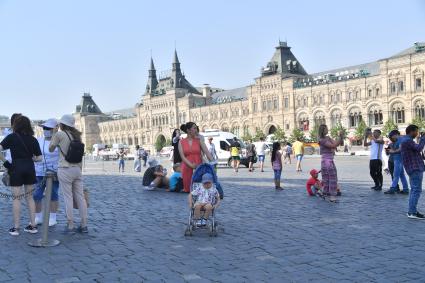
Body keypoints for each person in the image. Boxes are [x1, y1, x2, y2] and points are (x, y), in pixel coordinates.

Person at [0, 115, 42, 236]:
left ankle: (16, 228)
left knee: (16, 199)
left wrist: (6, 163)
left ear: (15, 125)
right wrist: (32, 159)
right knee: (30, 198)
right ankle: (33, 225)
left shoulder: (11, 137)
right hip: (29, 168)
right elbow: (39, 158)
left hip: (16, 168)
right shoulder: (33, 139)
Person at [49, 114, 88, 234]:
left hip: (65, 168)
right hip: (77, 169)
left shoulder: (60, 134)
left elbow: (50, 148)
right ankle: (84, 225)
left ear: (62, 124)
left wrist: (54, 133)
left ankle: (70, 225)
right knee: (80, 198)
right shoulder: (77, 136)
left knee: (68, 198)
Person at [33, 118, 60, 226]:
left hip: (54, 173)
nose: (46, 130)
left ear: (55, 129)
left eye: (48, 128)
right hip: (39, 172)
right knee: (36, 195)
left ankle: (53, 218)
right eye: (44, 128)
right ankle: (38, 217)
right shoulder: (38, 140)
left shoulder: (59, 141)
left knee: (53, 194)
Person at [178, 122, 214, 193]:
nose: (196, 130)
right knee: (189, 190)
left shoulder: (199, 140)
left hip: (198, 167)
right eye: (194, 128)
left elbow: (207, 152)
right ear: (188, 130)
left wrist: (213, 162)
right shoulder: (181, 142)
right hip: (186, 167)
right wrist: (191, 165)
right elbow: (182, 157)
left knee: (199, 189)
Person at [401, 125, 425, 219]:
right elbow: (419, 148)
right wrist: (423, 139)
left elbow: (416, 151)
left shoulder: (406, 140)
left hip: (413, 168)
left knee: (414, 190)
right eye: (416, 131)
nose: (417, 134)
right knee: (416, 190)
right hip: (415, 168)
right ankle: (412, 212)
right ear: (411, 131)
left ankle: (412, 211)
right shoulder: (407, 141)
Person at [318, 124, 344, 202]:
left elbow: (337, 143)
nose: (328, 129)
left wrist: (341, 137)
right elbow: (333, 145)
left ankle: (325, 192)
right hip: (326, 161)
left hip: (329, 160)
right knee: (331, 178)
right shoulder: (322, 140)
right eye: (326, 128)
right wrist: (339, 136)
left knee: (328, 178)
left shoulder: (327, 138)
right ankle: (332, 196)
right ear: (323, 130)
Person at [384, 130, 409, 195]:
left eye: (391, 137)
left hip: (398, 160)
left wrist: (392, 151)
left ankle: (393, 188)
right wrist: (388, 150)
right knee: (401, 175)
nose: (390, 138)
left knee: (396, 175)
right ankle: (405, 189)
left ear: (395, 135)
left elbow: (400, 149)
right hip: (397, 160)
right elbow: (389, 151)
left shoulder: (400, 140)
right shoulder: (394, 142)